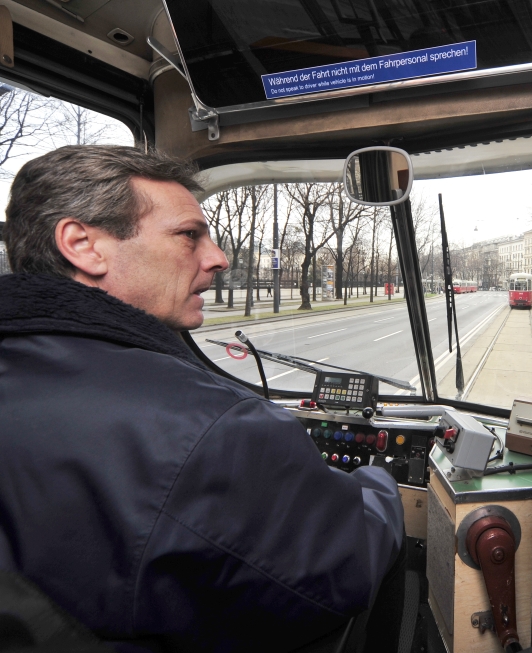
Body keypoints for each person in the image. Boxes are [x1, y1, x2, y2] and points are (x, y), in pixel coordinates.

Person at [0, 146, 405, 652]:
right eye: (189, 235)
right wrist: (381, 486)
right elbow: (342, 566)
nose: (218, 258)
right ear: (83, 245)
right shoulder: (209, 429)